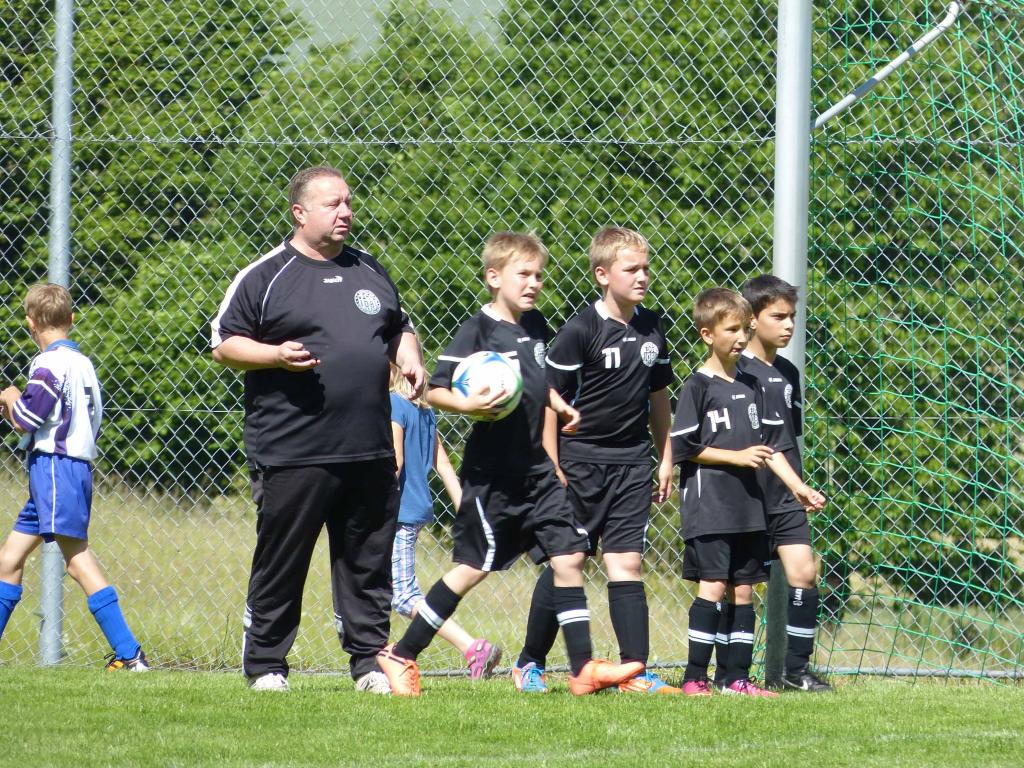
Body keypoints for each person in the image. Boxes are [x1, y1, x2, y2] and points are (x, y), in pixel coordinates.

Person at [376, 232, 643, 696]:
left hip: (537, 470)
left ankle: (583, 668)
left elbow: (536, 382)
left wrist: (558, 404)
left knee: (569, 557)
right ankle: (402, 653)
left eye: (539, 275)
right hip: (493, 476)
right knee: (472, 569)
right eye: (524, 274)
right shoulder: (478, 330)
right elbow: (435, 390)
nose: (534, 283)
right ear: (494, 277)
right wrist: (468, 403)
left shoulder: (535, 325)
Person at [210, 165, 425, 693]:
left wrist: (410, 358)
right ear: (300, 213)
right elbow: (224, 344)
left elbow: (399, 327)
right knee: (283, 561)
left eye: (347, 202)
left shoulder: (369, 269)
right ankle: (266, 665)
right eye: (332, 204)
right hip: (293, 449)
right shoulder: (266, 275)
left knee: (366, 564)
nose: (345, 212)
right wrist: (274, 355)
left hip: (369, 448)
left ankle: (369, 664)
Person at [513, 227, 679, 694]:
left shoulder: (652, 327)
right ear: (603, 275)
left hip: (632, 464)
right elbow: (549, 402)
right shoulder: (580, 331)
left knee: (627, 564)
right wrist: (553, 465)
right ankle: (529, 663)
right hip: (580, 463)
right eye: (632, 269)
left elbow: (659, 398)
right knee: (569, 561)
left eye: (645, 268)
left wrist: (665, 458)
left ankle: (634, 672)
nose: (642, 277)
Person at [670, 287, 821, 696]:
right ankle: (694, 676)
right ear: (707, 334)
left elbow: (772, 446)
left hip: (750, 507)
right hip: (712, 507)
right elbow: (684, 446)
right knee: (713, 587)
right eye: (732, 329)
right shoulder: (698, 385)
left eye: (743, 329)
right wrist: (736, 457)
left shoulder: (756, 384)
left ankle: (737, 678)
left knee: (744, 590)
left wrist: (798, 487)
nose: (740, 337)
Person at [0, 283, 148, 671]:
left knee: (77, 560)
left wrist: (10, 396)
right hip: (69, 468)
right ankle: (130, 654)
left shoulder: (47, 365)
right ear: (72, 318)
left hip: (54, 468)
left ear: (30, 323)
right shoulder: (83, 364)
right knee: (9, 559)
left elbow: (26, 419)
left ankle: (130, 654)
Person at [739, 275, 830, 692]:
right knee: (736, 586)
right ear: (752, 320)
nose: (789, 324)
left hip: (787, 494)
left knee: (804, 572)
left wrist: (797, 484)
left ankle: (796, 672)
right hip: (746, 494)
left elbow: (787, 437)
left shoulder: (789, 372)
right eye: (778, 316)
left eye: (792, 316)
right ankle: (729, 674)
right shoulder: (737, 371)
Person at [388, 364, 501, 679]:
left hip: (398, 512)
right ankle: (375, 655)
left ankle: (472, 647)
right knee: (379, 588)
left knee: (404, 595)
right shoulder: (425, 411)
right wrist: (467, 512)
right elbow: (445, 466)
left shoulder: (393, 405)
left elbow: (394, 464)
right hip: (416, 510)